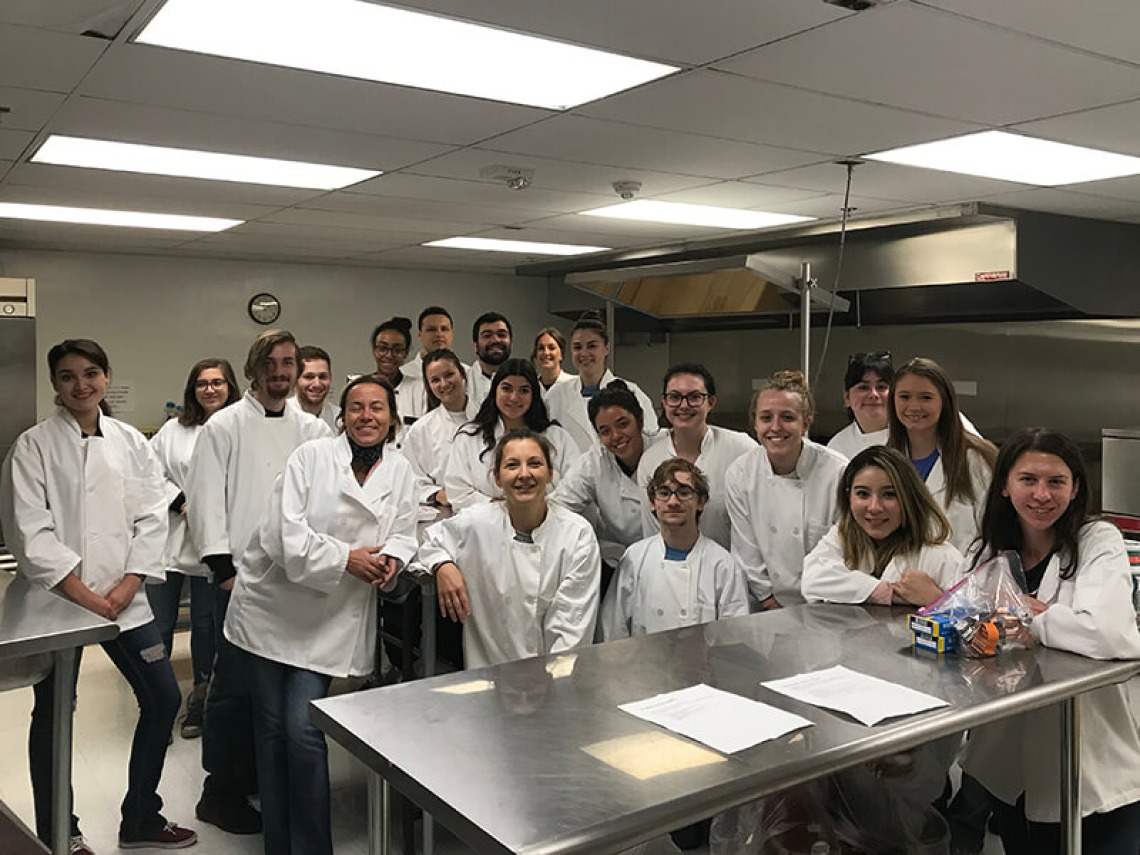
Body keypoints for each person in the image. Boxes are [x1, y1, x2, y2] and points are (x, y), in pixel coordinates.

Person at [0, 339, 197, 853]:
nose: (80, 385)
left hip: (124, 597)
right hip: (58, 602)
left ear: (107, 377)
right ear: (54, 385)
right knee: (55, 712)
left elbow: (153, 514)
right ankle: (61, 834)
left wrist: (128, 585)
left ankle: (141, 818)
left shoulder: (130, 440)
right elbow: (29, 532)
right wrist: (85, 595)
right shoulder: (34, 446)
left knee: (162, 697)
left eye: (90, 373)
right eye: (67, 376)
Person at [224, 374, 418, 855]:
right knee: (270, 731)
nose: (367, 416)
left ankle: (310, 848)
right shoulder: (310, 457)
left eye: (377, 408)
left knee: (303, 730)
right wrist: (346, 558)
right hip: (272, 607)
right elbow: (280, 535)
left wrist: (390, 557)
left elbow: (405, 531)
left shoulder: (401, 471)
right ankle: (279, 844)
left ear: (392, 418)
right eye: (357, 408)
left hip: (332, 618)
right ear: (342, 416)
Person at [958, 428, 1140, 855]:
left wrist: (1026, 616)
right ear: (1004, 485)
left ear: (1075, 488)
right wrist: (1054, 620)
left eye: (1056, 481)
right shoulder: (985, 552)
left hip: (1093, 757)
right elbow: (967, 626)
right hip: (1007, 757)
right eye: (1027, 480)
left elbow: (1107, 633)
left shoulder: (1098, 540)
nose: (1042, 494)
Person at [186, 329, 332, 834]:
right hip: (241, 582)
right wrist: (223, 571)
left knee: (276, 696)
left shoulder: (313, 431)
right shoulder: (223, 426)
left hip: (294, 580)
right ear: (253, 368)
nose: (280, 371)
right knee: (233, 689)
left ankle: (261, 779)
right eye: (271, 362)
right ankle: (220, 790)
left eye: (288, 362)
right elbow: (205, 499)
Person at [419, 428, 600, 667]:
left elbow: (571, 628)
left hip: (553, 680)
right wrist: (443, 565)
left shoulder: (577, 535)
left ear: (550, 474)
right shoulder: (477, 522)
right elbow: (431, 541)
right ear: (497, 477)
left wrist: (554, 687)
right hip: (486, 674)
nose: (524, 474)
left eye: (535, 464)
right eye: (512, 465)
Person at [148, 357, 240, 741]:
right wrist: (178, 498)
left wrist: (209, 502)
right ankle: (156, 702)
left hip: (215, 545)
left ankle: (201, 695)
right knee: (159, 624)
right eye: (202, 383)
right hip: (171, 542)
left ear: (230, 387)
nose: (210, 389)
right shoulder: (174, 430)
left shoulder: (240, 429)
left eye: (218, 382)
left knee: (206, 626)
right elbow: (148, 471)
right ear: (193, 390)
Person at [725, 370, 848, 610]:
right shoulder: (740, 474)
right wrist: (772, 604)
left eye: (787, 417)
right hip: (767, 605)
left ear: (806, 422)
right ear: (755, 423)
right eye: (766, 417)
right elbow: (746, 551)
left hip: (826, 604)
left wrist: (818, 609)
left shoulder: (838, 472)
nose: (775, 427)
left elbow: (846, 552)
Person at [602, 458, 749, 639]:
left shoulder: (723, 565)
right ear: (652, 502)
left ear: (701, 502)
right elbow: (614, 630)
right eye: (664, 493)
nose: (673, 501)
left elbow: (733, 637)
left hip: (703, 665)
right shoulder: (634, 558)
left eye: (684, 492)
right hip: (645, 664)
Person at [801, 445, 963, 606]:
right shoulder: (842, 536)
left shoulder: (942, 557)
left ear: (909, 498)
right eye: (863, 494)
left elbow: (972, 623)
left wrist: (936, 600)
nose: (874, 507)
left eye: (889, 494)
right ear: (848, 496)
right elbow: (812, 578)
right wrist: (886, 593)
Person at [636, 363, 754, 550]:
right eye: (674, 397)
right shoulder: (651, 460)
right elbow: (652, 530)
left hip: (732, 567)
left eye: (694, 397)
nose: (684, 405)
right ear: (664, 403)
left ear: (711, 403)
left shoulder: (741, 449)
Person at [887, 357, 996, 554]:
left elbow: (995, 533)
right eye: (904, 397)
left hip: (962, 579)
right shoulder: (886, 461)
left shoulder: (976, 460)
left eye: (926, 397)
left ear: (945, 402)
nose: (914, 407)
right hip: (899, 578)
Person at [444, 358, 580, 512]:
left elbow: (574, 485)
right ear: (495, 391)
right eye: (507, 389)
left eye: (524, 390)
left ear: (534, 395)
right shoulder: (468, 437)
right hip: (485, 527)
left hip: (546, 524)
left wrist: (535, 509)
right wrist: (499, 507)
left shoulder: (557, 438)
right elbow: (457, 490)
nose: (514, 397)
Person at [552, 380, 661, 569]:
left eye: (623, 424)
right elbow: (557, 505)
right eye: (605, 431)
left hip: (671, 558)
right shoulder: (594, 463)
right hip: (620, 562)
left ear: (640, 420)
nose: (616, 436)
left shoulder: (666, 449)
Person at [544, 312, 658, 453]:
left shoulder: (631, 392)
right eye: (577, 347)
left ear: (606, 348)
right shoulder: (556, 396)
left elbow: (650, 443)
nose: (584, 353)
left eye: (592, 346)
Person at [401, 348, 479, 507]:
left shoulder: (489, 420)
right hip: (445, 512)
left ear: (462, 374)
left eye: (449, 375)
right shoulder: (421, 430)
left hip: (489, 508)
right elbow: (410, 478)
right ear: (429, 386)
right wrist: (436, 494)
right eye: (435, 380)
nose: (444, 384)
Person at [400, 306, 469, 416]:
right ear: (419, 334)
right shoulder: (403, 375)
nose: (439, 334)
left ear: (452, 333)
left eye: (444, 329)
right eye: (431, 329)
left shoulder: (468, 373)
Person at [827, 351, 893, 460]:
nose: (873, 394)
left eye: (881, 387)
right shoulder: (837, 447)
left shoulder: (912, 438)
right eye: (863, 387)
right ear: (847, 398)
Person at [368, 316, 424, 422]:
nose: (389, 355)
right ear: (374, 350)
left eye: (397, 350)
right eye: (383, 348)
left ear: (406, 353)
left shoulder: (420, 390)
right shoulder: (361, 388)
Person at [467, 311, 512, 406]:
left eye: (501, 335)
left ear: (511, 342)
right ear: (476, 346)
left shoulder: (525, 382)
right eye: (487, 336)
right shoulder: (462, 383)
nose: (495, 340)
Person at [288, 345, 338, 429]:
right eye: (309, 377)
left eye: (322, 377)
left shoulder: (339, 419)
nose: (317, 384)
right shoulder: (282, 415)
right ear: (295, 379)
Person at [532, 326, 575, 394]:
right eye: (541, 348)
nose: (546, 352)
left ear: (561, 355)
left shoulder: (574, 385)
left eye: (551, 348)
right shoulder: (531, 387)